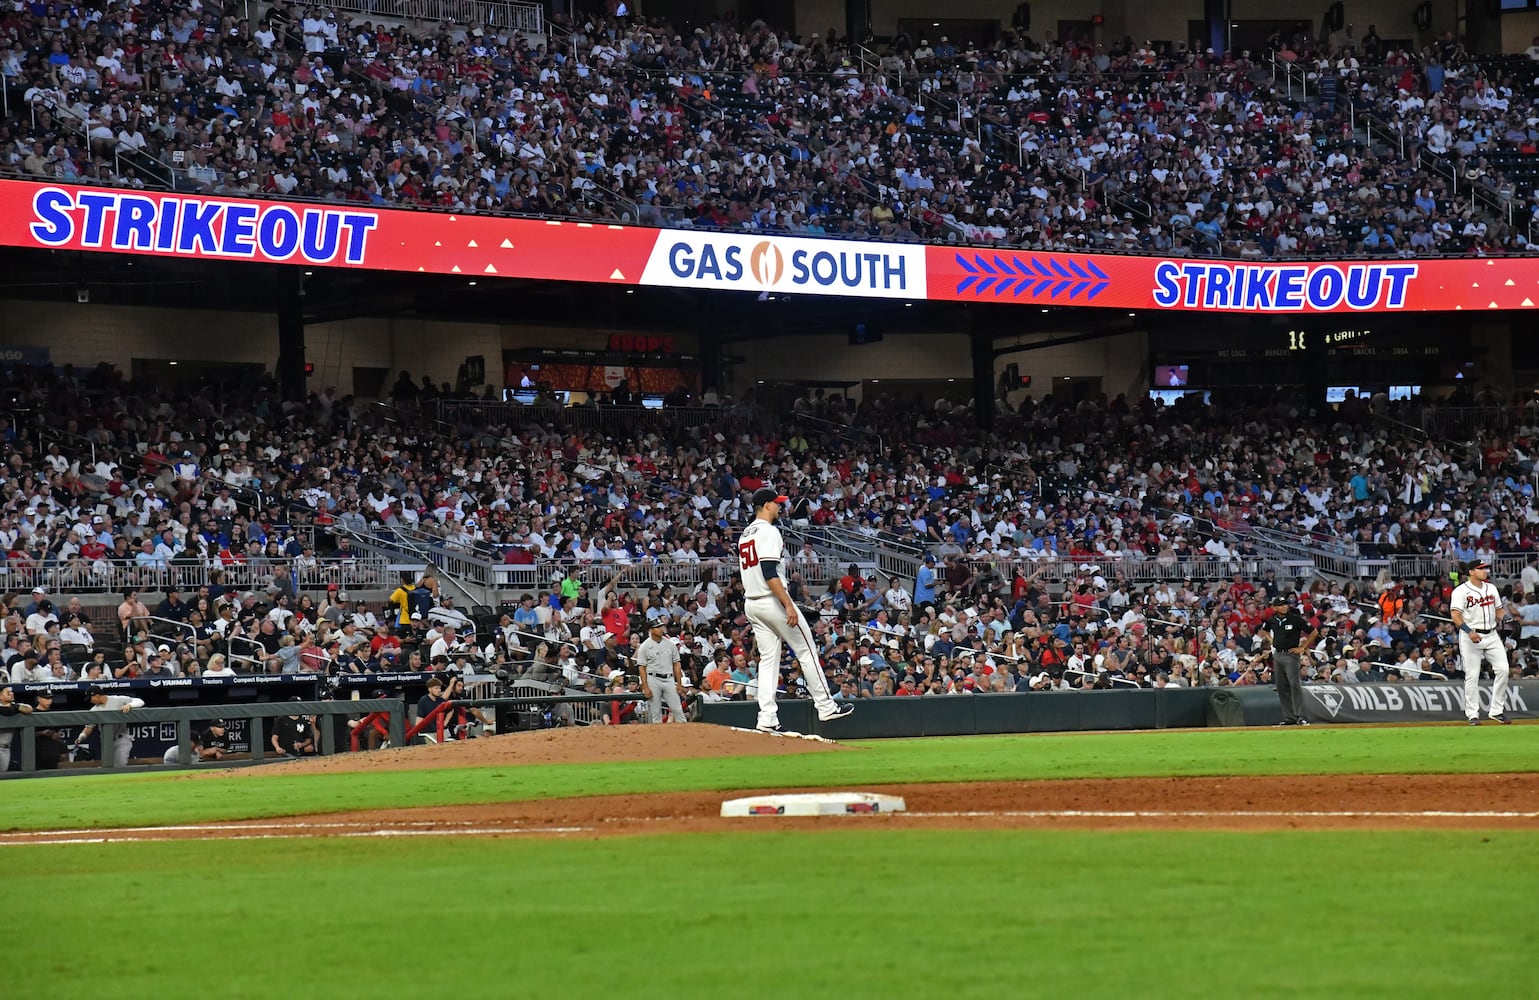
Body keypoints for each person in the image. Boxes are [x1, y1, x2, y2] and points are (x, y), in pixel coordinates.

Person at [737, 487, 853, 733]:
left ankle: (766, 717)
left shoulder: (746, 533)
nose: (780, 507)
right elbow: (769, 572)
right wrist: (788, 604)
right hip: (772, 600)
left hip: (752, 603)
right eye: (776, 503)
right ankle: (826, 706)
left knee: (768, 660)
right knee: (807, 650)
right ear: (766, 505)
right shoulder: (768, 531)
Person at [1451, 560, 1512, 725]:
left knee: (1503, 670)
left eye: (1485, 568)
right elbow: (1455, 615)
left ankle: (1496, 711)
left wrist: (1506, 617)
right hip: (1470, 635)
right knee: (1472, 675)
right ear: (1471, 571)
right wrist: (1468, 631)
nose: (1485, 571)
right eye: (1481, 568)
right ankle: (1472, 715)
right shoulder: (1460, 591)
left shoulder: (1491, 588)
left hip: (1491, 634)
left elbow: (1498, 609)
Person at [1261, 593, 1316, 726]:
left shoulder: (1295, 619)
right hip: (1278, 654)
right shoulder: (1272, 620)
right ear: (1275, 608)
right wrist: (1270, 640)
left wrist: (1302, 647)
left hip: (1291, 655)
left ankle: (1301, 716)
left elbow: (1313, 632)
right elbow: (1265, 630)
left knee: (1294, 685)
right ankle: (1289, 717)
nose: (1284, 607)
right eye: (1280, 605)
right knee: (1281, 686)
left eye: (1285, 604)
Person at [75, 686, 146, 766]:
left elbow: (140, 701)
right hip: (107, 743)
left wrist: (130, 705)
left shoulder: (117, 700)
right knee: (108, 766)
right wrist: (81, 737)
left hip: (121, 739)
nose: (91, 701)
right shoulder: (94, 710)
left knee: (120, 765)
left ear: (97, 695)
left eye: (91, 698)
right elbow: (89, 728)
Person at [636, 620, 688, 724]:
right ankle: (658, 738)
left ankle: (685, 735)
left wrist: (679, 683)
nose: (660, 629)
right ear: (651, 630)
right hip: (653, 678)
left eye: (661, 626)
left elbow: (676, 664)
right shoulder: (645, 646)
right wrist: (645, 686)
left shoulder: (670, 644)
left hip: (669, 678)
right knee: (656, 713)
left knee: (677, 709)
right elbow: (642, 667)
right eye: (657, 627)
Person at [0, 685, 33, 770]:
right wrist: (16, 708)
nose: (11, 694)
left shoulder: (14, 706)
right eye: (8, 693)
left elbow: (29, 709)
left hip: (6, 748)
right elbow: (7, 711)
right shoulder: (13, 707)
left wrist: (16, 707)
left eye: (11, 692)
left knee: (3, 775)